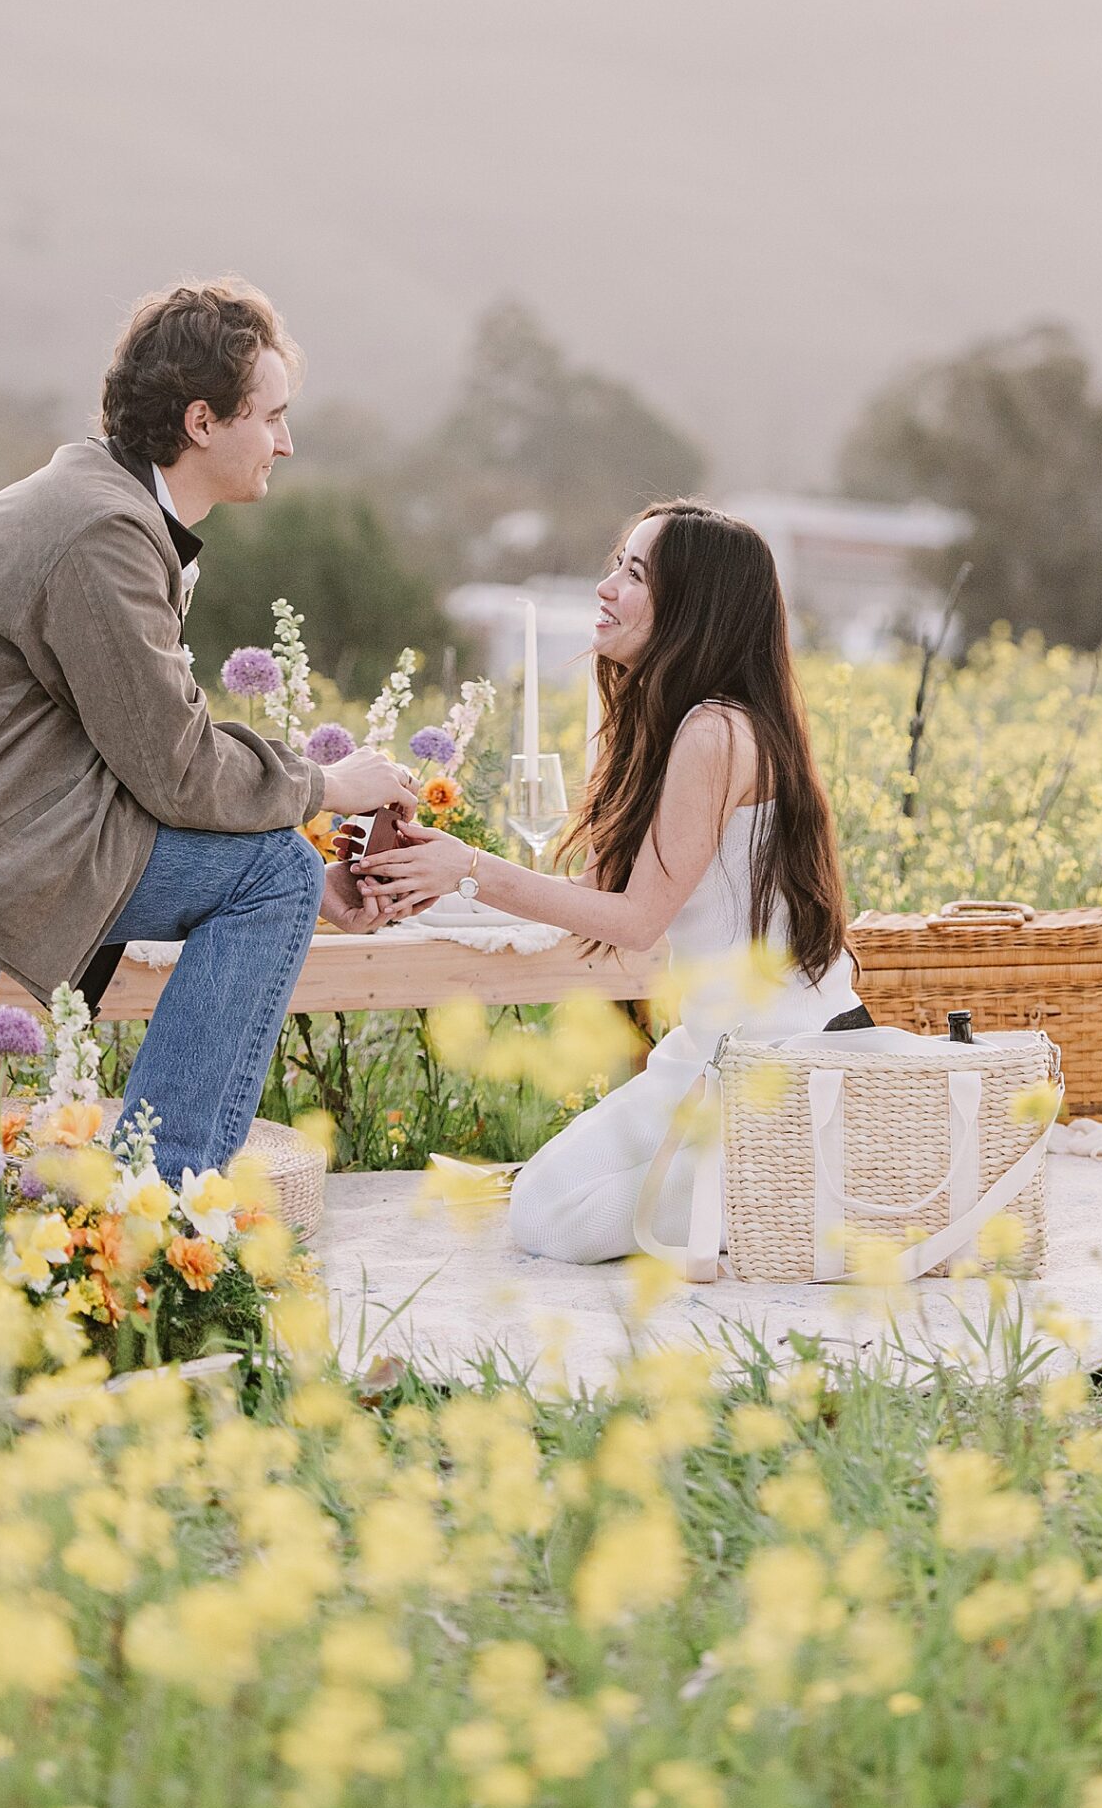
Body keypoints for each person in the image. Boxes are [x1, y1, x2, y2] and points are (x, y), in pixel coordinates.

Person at [0, 278, 415, 1181]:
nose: (286, 440)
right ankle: (155, 1212)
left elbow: (129, 754)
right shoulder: (101, 535)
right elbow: (174, 770)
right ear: (202, 421)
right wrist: (322, 789)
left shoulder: (99, 504)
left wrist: (307, 856)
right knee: (269, 872)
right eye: (270, 416)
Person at [344, 497, 868, 1262]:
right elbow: (587, 904)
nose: (605, 588)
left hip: (785, 1060)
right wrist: (429, 885)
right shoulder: (679, 726)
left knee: (551, 1219)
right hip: (711, 1053)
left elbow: (634, 921)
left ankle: (794, 1182)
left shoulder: (716, 729)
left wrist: (469, 870)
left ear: (695, 607)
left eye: (635, 573)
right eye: (615, 565)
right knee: (542, 1204)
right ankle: (777, 1188)